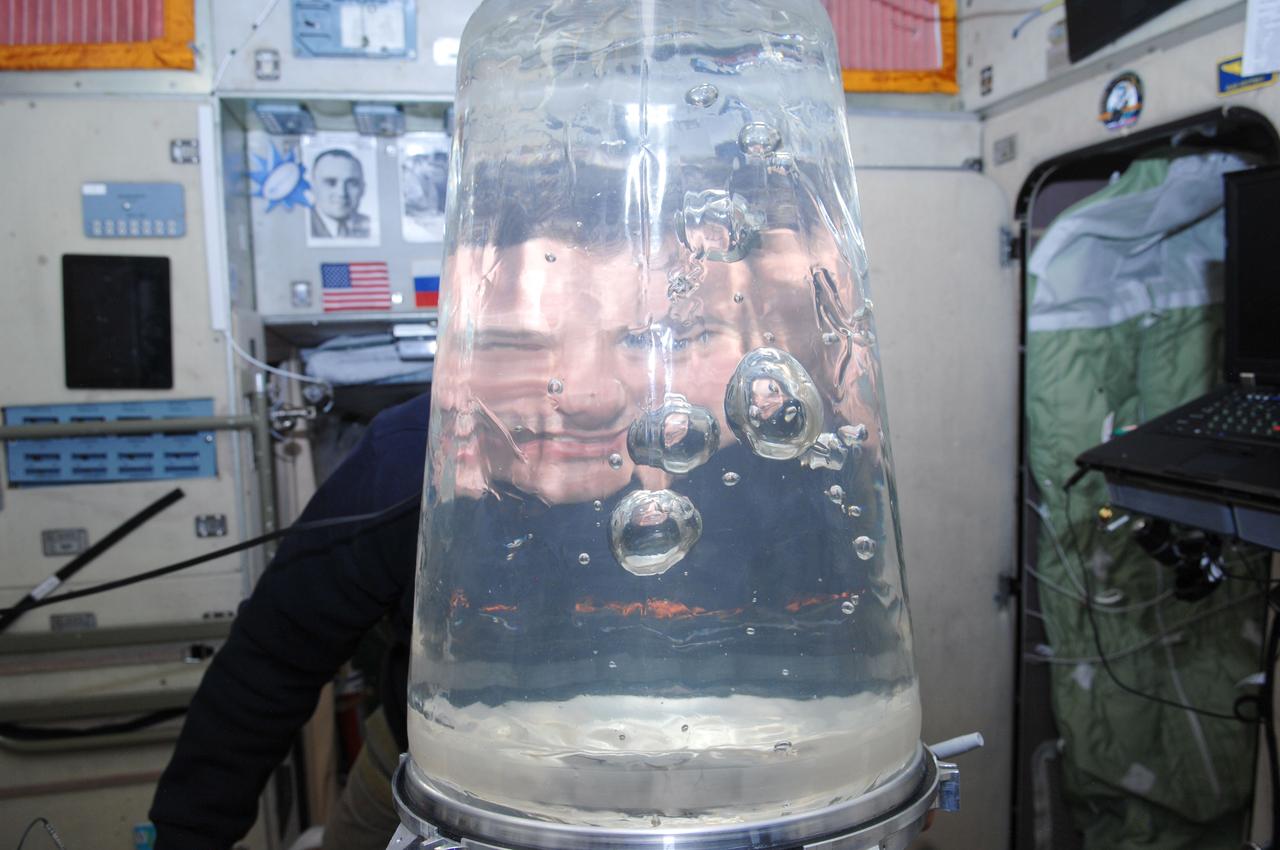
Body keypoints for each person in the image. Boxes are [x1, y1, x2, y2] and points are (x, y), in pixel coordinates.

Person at [310, 149, 372, 239]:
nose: (342, 193)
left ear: (363, 189)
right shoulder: (302, 225)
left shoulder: (371, 226)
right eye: (331, 182)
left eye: (352, 183)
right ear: (312, 186)